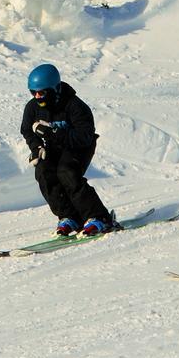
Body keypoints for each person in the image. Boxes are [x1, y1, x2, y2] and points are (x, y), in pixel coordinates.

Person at [20, 63, 117, 237]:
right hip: (54, 147)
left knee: (67, 172)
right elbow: (27, 129)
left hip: (79, 147)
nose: (37, 96)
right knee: (43, 172)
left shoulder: (75, 106)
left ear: (54, 88)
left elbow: (84, 136)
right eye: (33, 92)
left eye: (41, 92)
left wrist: (53, 133)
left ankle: (100, 218)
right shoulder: (33, 107)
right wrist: (36, 147)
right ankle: (68, 216)